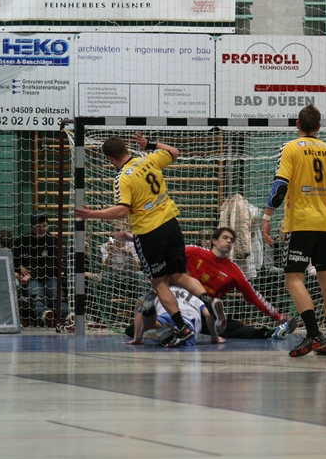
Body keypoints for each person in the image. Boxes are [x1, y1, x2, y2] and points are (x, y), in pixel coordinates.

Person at [75, 133, 225, 348]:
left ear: (110, 158)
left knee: (159, 283)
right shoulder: (148, 159)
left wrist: (92, 214)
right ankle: (208, 301)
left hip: (149, 232)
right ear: (127, 149)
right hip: (171, 224)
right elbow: (174, 152)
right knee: (180, 275)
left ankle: (182, 329)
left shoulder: (123, 177)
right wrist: (150, 144)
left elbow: (121, 210)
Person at [261, 104, 326, 357]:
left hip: (300, 225)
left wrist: (267, 216)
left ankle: (312, 333)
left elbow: (280, 187)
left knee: (293, 280)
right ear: (319, 127)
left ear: (297, 124)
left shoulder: (290, 148)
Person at [185, 226, 298, 339]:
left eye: (231, 240)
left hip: (206, 313)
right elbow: (175, 253)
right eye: (225, 238)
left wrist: (278, 316)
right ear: (214, 241)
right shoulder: (194, 252)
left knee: (234, 327)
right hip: (183, 303)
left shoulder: (233, 270)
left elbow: (253, 296)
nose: (229, 241)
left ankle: (271, 333)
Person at [13, 212, 66, 328]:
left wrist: (31, 274)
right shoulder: (22, 241)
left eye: (44, 225)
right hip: (32, 280)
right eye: (38, 226)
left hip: (49, 276)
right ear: (32, 227)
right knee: (36, 296)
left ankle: (65, 318)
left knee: (58, 297)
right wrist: (20, 267)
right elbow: (14, 258)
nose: (42, 229)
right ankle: (44, 317)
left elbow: (52, 264)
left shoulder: (53, 241)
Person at [127, 288, 222, 346]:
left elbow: (138, 310)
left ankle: (149, 313)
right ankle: (174, 334)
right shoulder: (194, 297)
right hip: (186, 320)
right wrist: (215, 338)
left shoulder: (161, 292)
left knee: (149, 327)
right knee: (185, 337)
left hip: (165, 315)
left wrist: (137, 338)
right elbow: (207, 315)